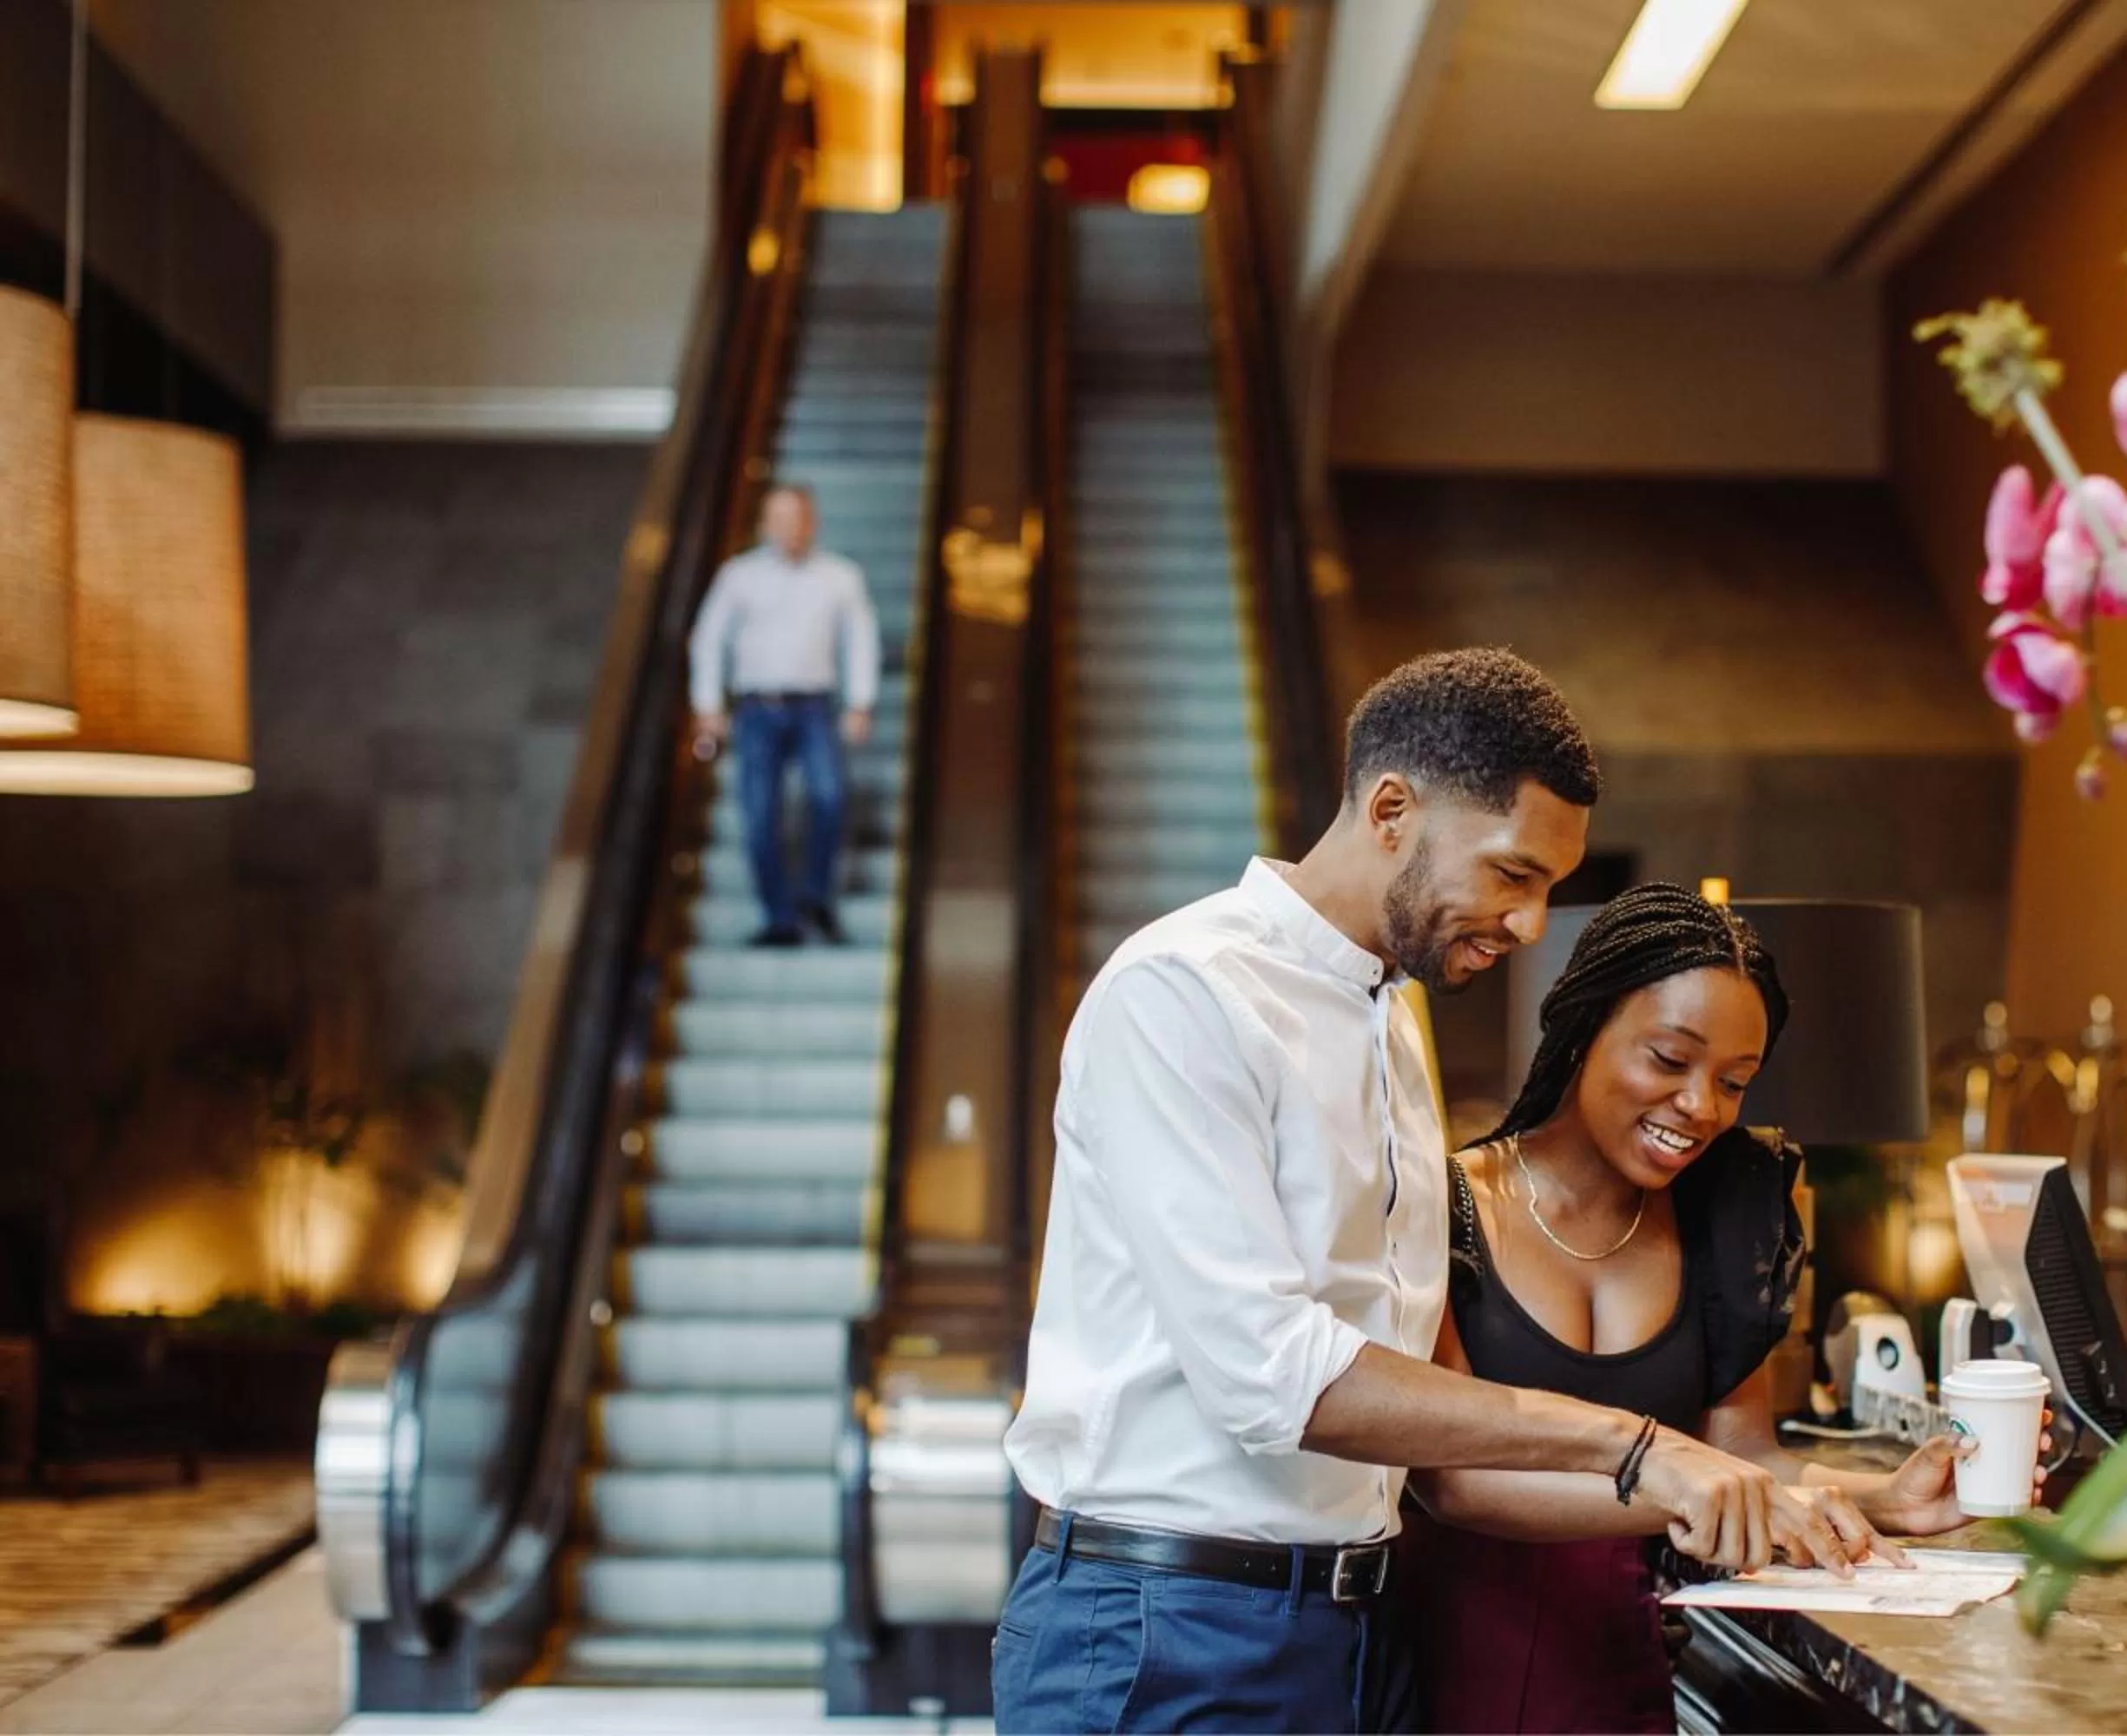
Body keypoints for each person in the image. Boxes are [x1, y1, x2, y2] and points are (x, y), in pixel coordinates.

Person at [996, 649, 1873, 1736]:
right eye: (1513, 874)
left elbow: (1411, 1395)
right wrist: (1632, 1442)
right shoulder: (1182, 994)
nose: (1530, 925)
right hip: (1169, 1627)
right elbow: (1274, 1377)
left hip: (1355, 1631)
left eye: (1549, 886)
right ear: (1392, 809)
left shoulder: (1388, 1017)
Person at [1399, 884, 2050, 1733]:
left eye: (1734, 1080)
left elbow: (1740, 1453)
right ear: (1583, 1027)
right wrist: (1690, 1490)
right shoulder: (1444, 1205)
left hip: (1623, 1671)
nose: (1701, 1106)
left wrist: (1886, 1497)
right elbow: (1454, 1479)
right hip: (1451, 1672)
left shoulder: (1723, 1208)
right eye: (1669, 1059)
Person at [685, 483, 879, 947]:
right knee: (757, 816)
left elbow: (861, 639)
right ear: (764, 524)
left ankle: (816, 897)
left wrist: (860, 702)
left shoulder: (840, 576)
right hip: (756, 710)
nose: (789, 527)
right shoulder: (738, 576)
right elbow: (709, 639)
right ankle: (779, 917)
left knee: (830, 798)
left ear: (811, 522)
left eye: (797, 517)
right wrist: (708, 705)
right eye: (779, 518)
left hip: (815, 707)